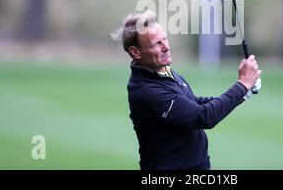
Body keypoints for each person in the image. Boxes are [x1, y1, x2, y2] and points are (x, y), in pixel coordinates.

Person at [111, 10, 262, 170]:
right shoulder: (146, 92)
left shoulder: (162, 70)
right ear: (135, 52)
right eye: (157, 43)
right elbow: (203, 117)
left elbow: (194, 103)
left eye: (165, 39)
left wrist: (244, 93)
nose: (166, 47)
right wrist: (242, 85)